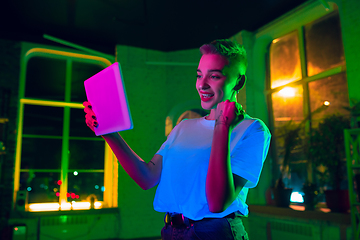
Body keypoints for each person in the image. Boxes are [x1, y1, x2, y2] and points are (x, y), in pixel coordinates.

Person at [83, 39, 271, 240]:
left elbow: (217, 203)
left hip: (216, 232)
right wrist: (109, 133)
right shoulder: (184, 127)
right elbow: (147, 177)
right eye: (199, 75)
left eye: (214, 76)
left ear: (239, 82)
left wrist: (222, 126)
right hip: (172, 231)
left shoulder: (253, 130)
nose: (202, 84)